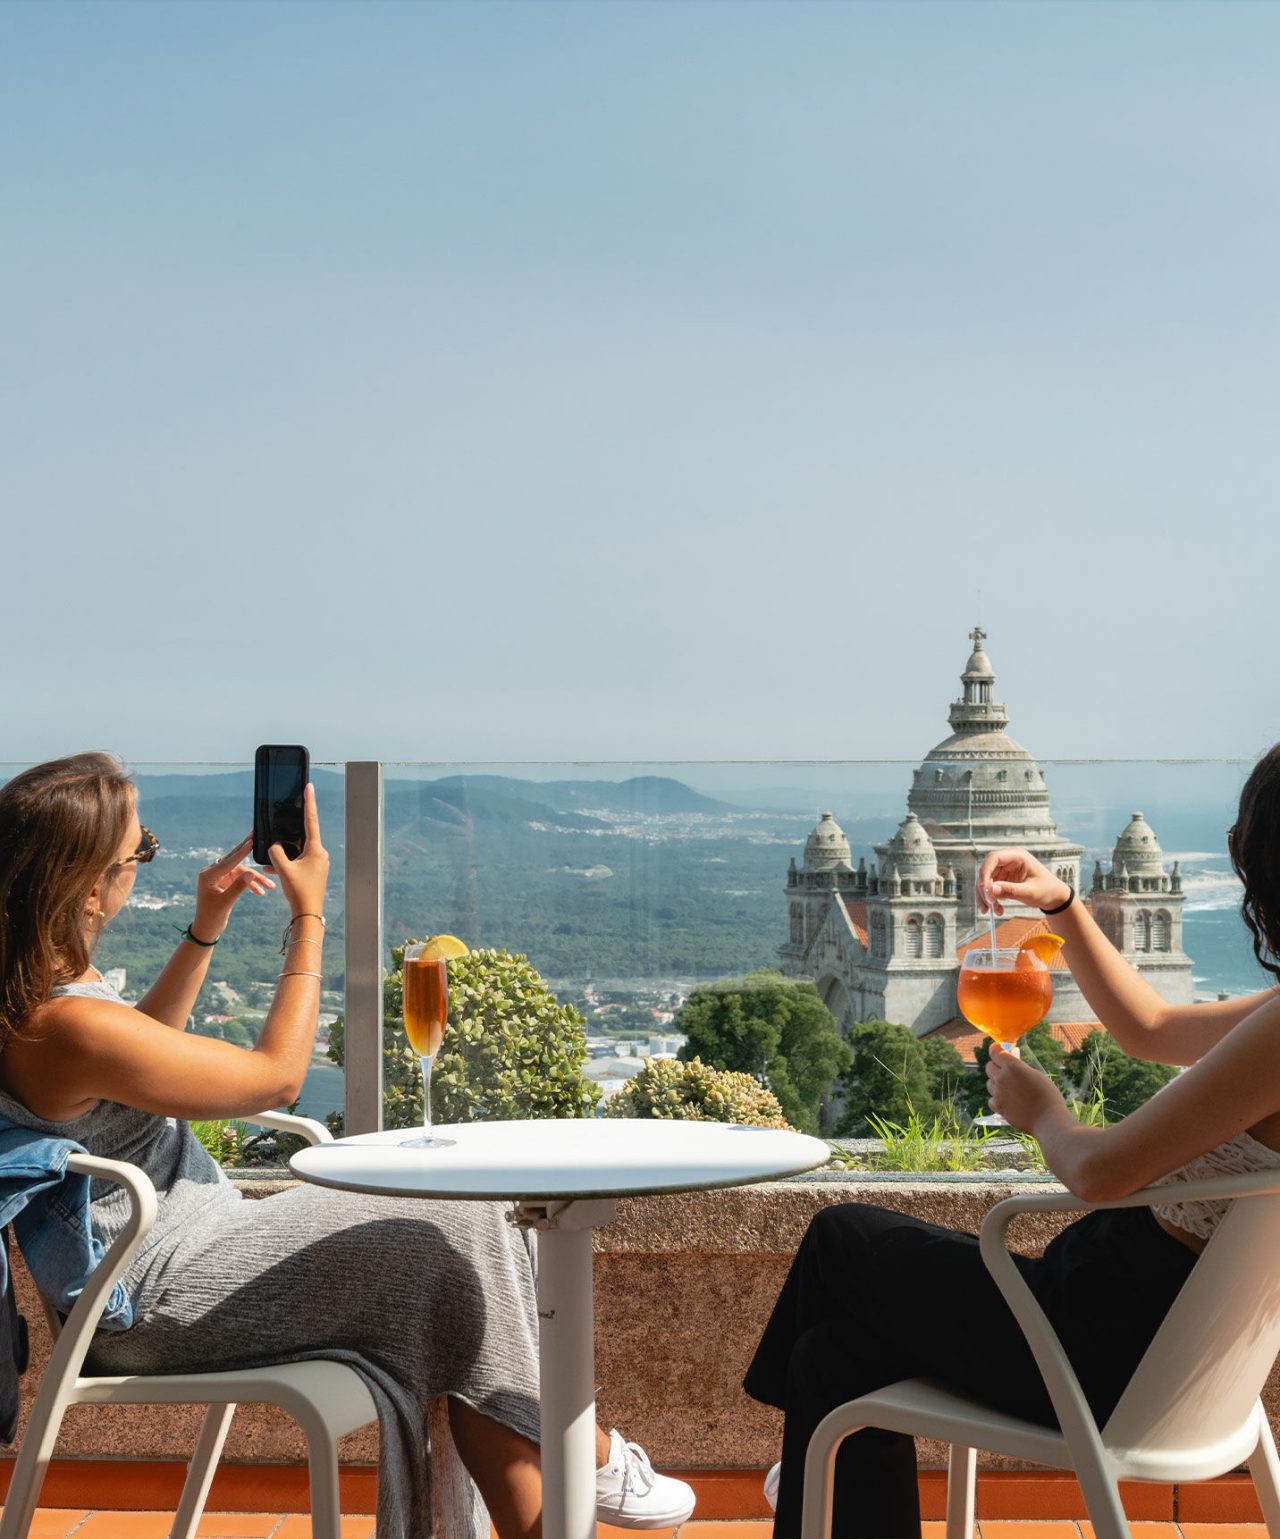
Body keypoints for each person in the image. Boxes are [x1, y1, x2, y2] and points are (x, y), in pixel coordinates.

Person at [0, 752, 694, 1539]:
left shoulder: (43, 998)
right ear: (90, 885)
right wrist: (310, 916)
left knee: (470, 1224)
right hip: (154, 1297)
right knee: (462, 1230)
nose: (146, 858)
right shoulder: (58, 1024)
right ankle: (581, 1449)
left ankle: (568, 1466)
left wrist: (206, 924)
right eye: (142, 849)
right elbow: (277, 1078)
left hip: (192, 1249)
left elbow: (139, 1054)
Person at [745, 745, 1280, 1539]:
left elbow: (1097, 1171)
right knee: (832, 1358)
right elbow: (1151, 1027)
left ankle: (803, 1469)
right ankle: (808, 1468)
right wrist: (1063, 904)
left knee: (838, 1235)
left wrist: (1044, 1113)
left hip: (1102, 1343)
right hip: (1176, 1353)